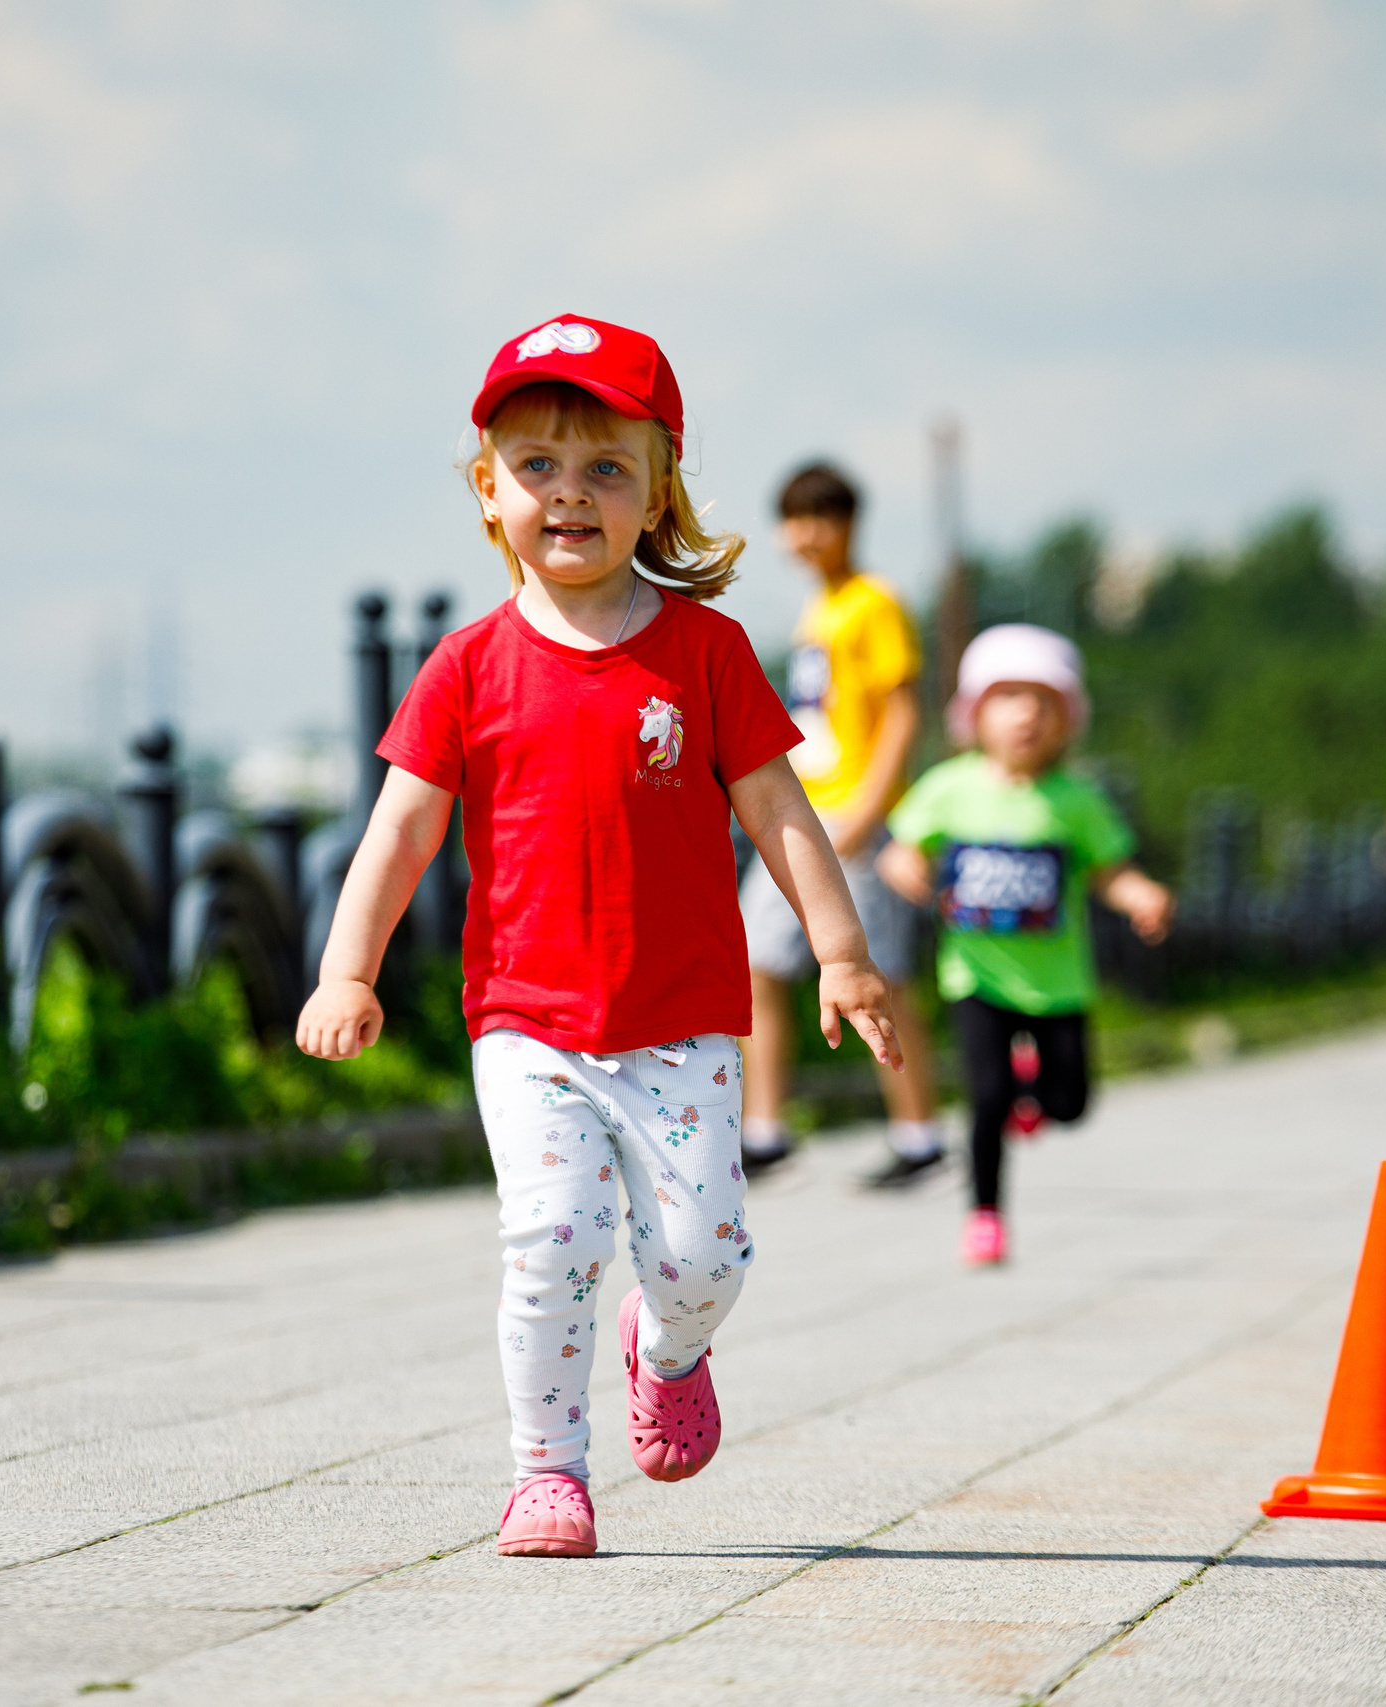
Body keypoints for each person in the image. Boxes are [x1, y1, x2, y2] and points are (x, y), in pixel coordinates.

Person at [294, 315, 900, 1562]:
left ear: (657, 487)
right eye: (536, 466)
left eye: (604, 468)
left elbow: (782, 817)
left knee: (702, 1258)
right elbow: (399, 835)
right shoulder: (466, 669)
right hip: (530, 1025)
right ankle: (546, 1474)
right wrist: (347, 969)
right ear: (488, 489)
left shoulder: (706, 653)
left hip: (681, 1023)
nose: (567, 494)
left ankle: (663, 1347)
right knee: (553, 1237)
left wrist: (840, 951)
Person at [875, 624, 1170, 1266]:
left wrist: (1141, 894)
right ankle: (984, 1215)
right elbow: (899, 849)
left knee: (1072, 1103)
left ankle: (1034, 1088)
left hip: (1058, 981)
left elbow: (1110, 870)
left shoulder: (1076, 800)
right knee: (985, 1099)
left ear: (1068, 720)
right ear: (975, 714)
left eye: (1043, 701)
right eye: (1008, 697)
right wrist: (909, 873)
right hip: (976, 976)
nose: (1026, 715)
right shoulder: (951, 787)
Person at [738, 462, 944, 1187]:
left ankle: (920, 1135)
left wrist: (871, 808)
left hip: (855, 813)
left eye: (814, 518)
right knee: (755, 959)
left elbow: (903, 710)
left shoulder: (873, 603)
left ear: (847, 523)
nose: (801, 534)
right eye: (791, 519)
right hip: (806, 809)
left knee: (880, 974)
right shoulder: (816, 610)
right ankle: (763, 1129)